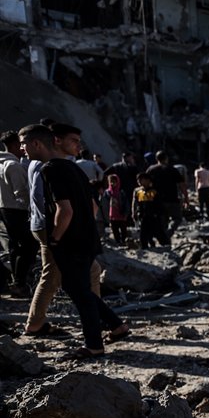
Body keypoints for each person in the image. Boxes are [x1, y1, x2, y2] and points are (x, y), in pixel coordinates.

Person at [19, 124, 128, 358]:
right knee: (78, 288)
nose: (22, 149)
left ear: (37, 144)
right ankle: (117, 326)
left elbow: (64, 210)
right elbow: (92, 205)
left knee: (80, 292)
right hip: (85, 237)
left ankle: (94, 345)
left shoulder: (50, 170)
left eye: (24, 144)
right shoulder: (74, 168)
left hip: (70, 240)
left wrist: (55, 238)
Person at [22, 122, 102, 338]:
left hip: (54, 225)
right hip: (53, 227)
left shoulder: (54, 164)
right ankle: (35, 324)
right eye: (73, 141)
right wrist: (58, 233)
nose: (78, 146)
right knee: (54, 275)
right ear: (56, 141)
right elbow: (49, 203)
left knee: (85, 271)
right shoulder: (47, 166)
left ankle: (98, 320)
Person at [0, 129, 34, 296]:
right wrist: (31, 209)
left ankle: (15, 280)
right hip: (17, 210)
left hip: (4, 209)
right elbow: (21, 193)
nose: (23, 148)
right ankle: (19, 283)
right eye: (20, 145)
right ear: (14, 145)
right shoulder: (14, 166)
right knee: (28, 246)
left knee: (14, 246)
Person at [146, 151, 187, 235]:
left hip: (157, 200)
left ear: (156, 159)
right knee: (177, 218)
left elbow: (146, 184)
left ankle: (164, 236)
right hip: (172, 199)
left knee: (162, 220)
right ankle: (169, 232)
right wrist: (186, 197)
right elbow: (182, 185)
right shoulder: (172, 169)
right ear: (166, 158)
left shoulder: (151, 169)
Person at [102, 174, 129, 245]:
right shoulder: (107, 193)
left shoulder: (121, 192)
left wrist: (126, 213)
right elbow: (104, 205)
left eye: (114, 182)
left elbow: (126, 203)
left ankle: (124, 241)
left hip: (121, 214)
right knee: (115, 229)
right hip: (112, 215)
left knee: (123, 229)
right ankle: (118, 241)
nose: (112, 183)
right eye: (111, 181)